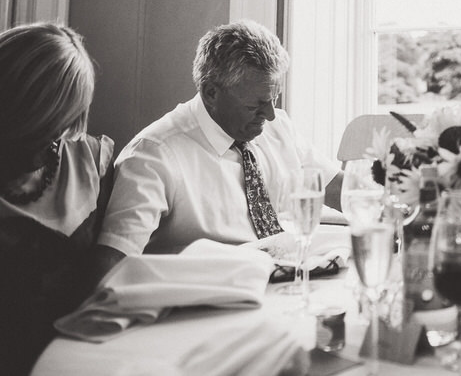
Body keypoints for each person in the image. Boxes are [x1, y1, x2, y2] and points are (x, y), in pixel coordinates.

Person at [94, 20, 342, 275]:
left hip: (286, 276)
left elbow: (337, 187)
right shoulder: (153, 155)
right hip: (208, 293)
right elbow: (113, 262)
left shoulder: (279, 128)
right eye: (254, 105)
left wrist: (381, 208)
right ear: (211, 93)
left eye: (273, 99)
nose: (269, 115)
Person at [0, 22, 114, 375]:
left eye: (66, 123)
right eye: (45, 123)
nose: (56, 139)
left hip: (79, 358)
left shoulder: (91, 160)